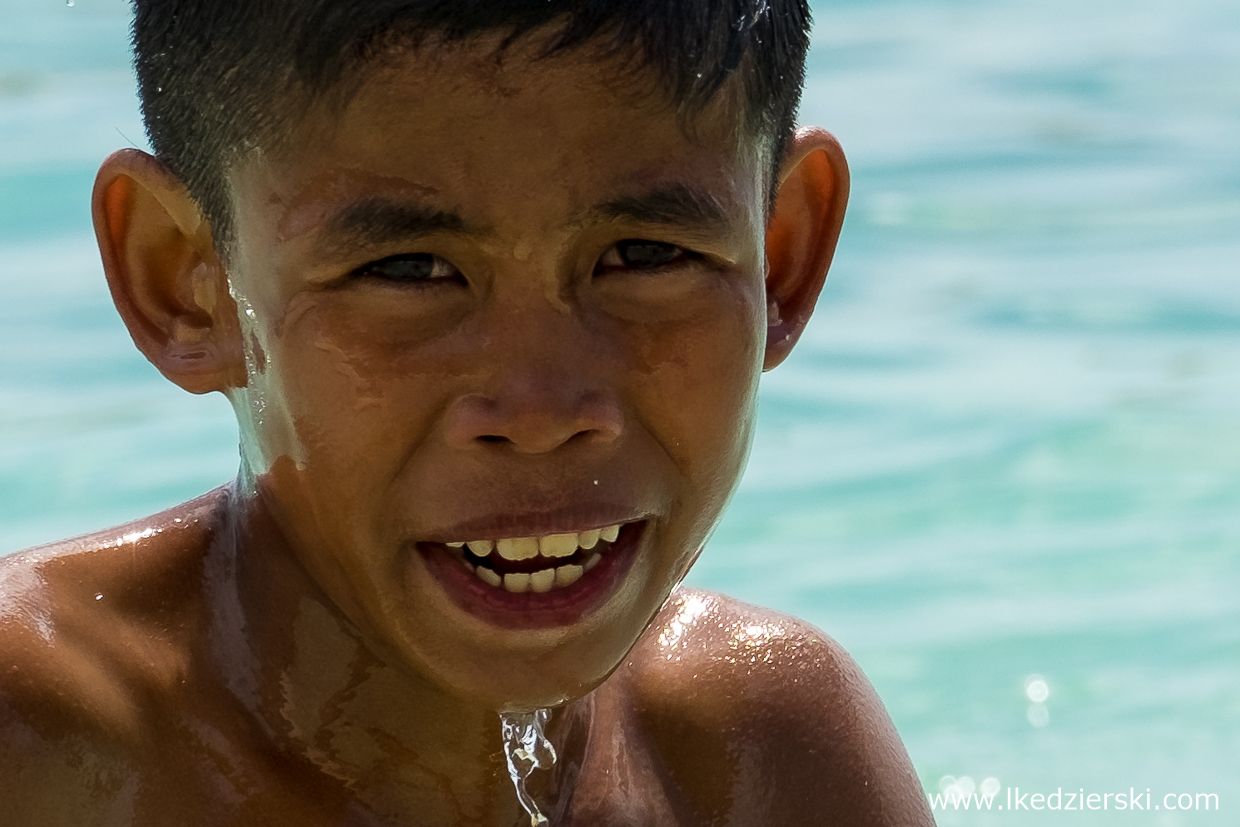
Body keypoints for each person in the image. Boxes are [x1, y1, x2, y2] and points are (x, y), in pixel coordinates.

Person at [0, 1, 934, 824]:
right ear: (185, 282)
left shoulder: (765, 758)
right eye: (408, 272)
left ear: (782, 256)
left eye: (646, 256)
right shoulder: (43, 746)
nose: (539, 410)